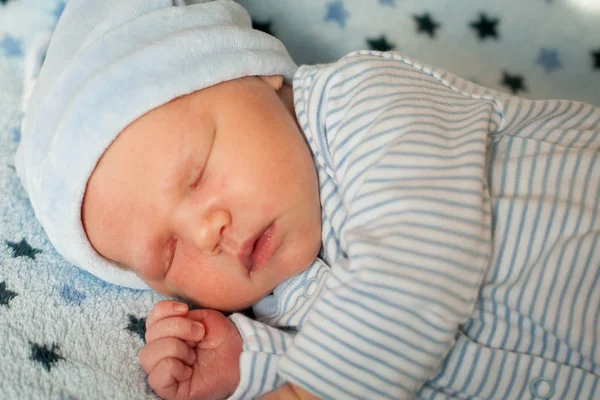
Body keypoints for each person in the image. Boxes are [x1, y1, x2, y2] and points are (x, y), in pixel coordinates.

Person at [15, 0, 600, 399]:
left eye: (196, 174)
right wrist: (243, 365)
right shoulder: (275, 305)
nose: (205, 233)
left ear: (259, 78)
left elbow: (417, 254)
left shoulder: (361, 100)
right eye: (166, 257)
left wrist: (308, 388)